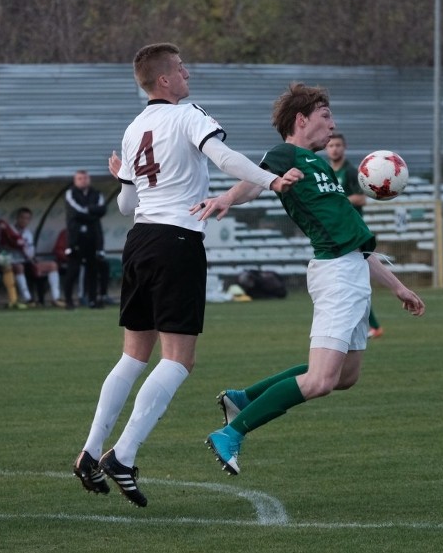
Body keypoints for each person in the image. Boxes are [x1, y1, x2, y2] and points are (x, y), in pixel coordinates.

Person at [72, 42, 302, 507]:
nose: (187, 74)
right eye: (180, 69)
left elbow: (127, 205)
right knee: (178, 360)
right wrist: (271, 180)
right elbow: (224, 158)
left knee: (134, 356)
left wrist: (121, 178)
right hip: (176, 242)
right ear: (163, 81)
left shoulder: (135, 128)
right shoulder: (187, 114)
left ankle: (91, 451)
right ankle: (123, 455)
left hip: (138, 241)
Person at [195, 83, 426, 477]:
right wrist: (226, 199)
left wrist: (398, 286)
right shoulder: (286, 154)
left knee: (346, 376)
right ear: (301, 120)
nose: (332, 126)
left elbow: (355, 244)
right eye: (325, 117)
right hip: (336, 274)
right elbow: (254, 179)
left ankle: (244, 398)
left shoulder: (320, 167)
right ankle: (232, 433)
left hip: (351, 269)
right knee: (320, 380)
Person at [326, 132, 384, 338]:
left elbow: (362, 198)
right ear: (326, 148)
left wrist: (337, 201)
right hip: (334, 234)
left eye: (338, 145)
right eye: (331, 145)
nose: (334, 149)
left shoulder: (351, 172)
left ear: (345, 147)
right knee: (348, 284)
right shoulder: (325, 172)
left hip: (352, 233)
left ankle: (373, 326)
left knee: (355, 283)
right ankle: (371, 325)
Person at [0, 207, 62, 306]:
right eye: (22, 217)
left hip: (27, 261)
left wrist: (27, 252)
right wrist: (13, 245)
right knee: (20, 267)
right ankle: (28, 299)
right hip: (11, 261)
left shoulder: (28, 233)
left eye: (27, 218)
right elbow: (1, 248)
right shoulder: (9, 230)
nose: (24, 220)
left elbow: (31, 252)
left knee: (53, 265)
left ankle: (56, 298)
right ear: (17, 218)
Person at [62, 170, 107, 309]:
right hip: (76, 238)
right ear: (75, 180)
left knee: (93, 270)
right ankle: (68, 300)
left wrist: (88, 211)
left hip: (93, 237)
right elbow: (75, 211)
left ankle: (93, 300)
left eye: (85, 178)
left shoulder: (97, 194)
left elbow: (102, 209)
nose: (83, 180)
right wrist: (92, 213)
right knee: (73, 270)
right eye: (80, 178)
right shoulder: (70, 193)